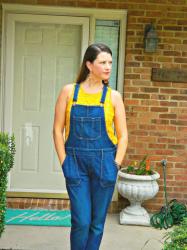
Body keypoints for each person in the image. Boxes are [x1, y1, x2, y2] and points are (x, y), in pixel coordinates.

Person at [53, 43, 128, 250]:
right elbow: (57, 130)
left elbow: (123, 137)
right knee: (81, 222)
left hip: (105, 165)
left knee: (96, 224)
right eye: (102, 62)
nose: (108, 67)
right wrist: (65, 162)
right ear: (89, 64)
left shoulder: (113, 97)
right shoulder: (69, 92)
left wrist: (115, 165)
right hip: (75, 165)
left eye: (110, 62)